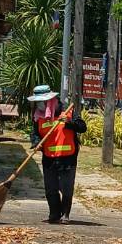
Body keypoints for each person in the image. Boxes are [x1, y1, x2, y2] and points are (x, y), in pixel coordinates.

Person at [28, 84, 87, 225]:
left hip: (68, 158)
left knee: (66, 188)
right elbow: (35, 134)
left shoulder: (67, 111)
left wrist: (70, 122)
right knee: (51, 188)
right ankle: (54, 213)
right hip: (49, 158)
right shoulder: (37, 116)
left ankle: (65, 214)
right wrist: (36, 143)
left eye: (43, 101)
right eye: (38, 102)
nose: (40, 105)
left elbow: (82, 127)